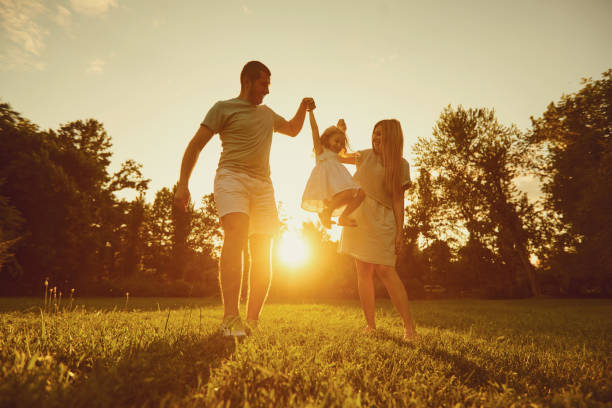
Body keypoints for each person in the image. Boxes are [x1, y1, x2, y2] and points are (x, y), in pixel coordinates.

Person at [174, 61, 314, 337]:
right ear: (247, 81)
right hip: (231, 178)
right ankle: (230, 318)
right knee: (236, 236)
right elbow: (196, 144)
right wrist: (183, 184)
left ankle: (251, 321)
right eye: (264, 84)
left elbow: (293, 130)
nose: (267, 91)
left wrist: (302, 106)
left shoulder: (267, 113)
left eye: (269, 85)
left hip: (263, 185)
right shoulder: (223, 108)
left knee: (263, 251)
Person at [338, 119, 418, 341]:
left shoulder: (401, 165)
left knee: (386, 270)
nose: (376, 138)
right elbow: (340, 155)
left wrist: (400, 232)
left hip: (383, 220)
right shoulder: (363, 155)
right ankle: (370, 326)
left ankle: (409, 328)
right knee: (363, 271)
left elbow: (398, 202)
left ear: (392, 138)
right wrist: (342, 132)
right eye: (374, 134)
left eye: (381, 134)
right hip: (359, 216)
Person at [301, 109, 365, 228]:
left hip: (339, 182)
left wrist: (342, 130)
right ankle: (327, 211)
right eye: (336, 141)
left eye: (342, 144)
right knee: (348, 193)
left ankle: (343, 217)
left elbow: (337, 136)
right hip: (328, 183)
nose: (339, 145)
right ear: (327, 139)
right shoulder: (321, 151)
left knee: (360, 194)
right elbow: (314, 130)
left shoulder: (336, 155)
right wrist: (310, 112)